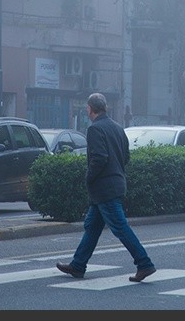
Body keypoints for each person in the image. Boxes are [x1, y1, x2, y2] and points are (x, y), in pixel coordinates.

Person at [57, 93, 156, 282]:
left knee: (120, 227)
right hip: (115, 184)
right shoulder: (118, 127)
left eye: (87, 107)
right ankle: (78, 265)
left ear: (90, 109)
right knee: (92, 228)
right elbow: (126, 157)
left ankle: (144, 263)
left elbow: (99, 158)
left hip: (104, 188)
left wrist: (89, 177)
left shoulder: (95, 129)